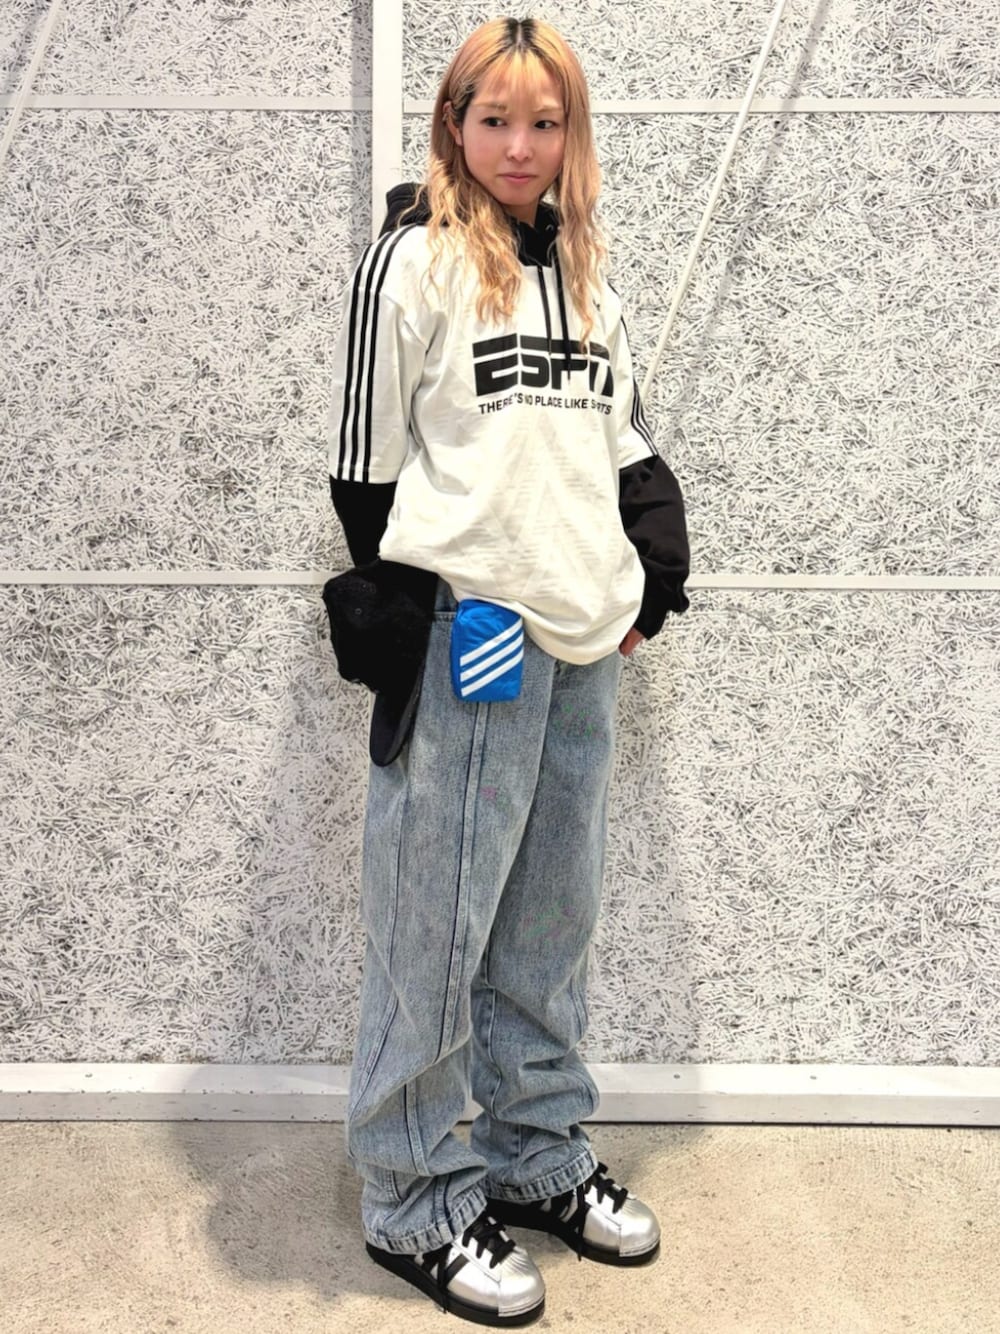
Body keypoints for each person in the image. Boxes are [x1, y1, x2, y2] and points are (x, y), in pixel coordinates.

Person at [326, 15, 690, 1328]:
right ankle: (414, 1191)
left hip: (584, 639)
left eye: (545, 123)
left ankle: (535, 1149)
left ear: (571, 135)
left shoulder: (589, 274)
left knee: (550, 919)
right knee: (435, 920)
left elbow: (618, 437)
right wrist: (417, 606)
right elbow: (364, 467)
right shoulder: (414, 260)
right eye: (496, 120)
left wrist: (651, 562)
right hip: (473, 632)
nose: (520, 146)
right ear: (455, 125)